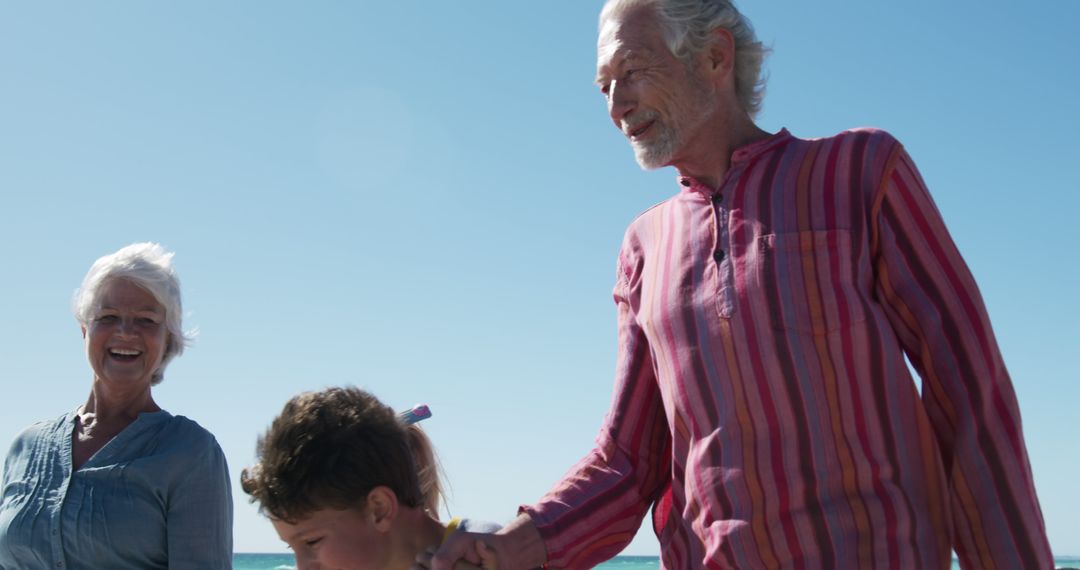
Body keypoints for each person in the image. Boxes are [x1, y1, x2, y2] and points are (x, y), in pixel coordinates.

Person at [429, 0, 1052, 568]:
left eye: (633, 70)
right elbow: (627, 462)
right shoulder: (642, 247)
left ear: (714, 56)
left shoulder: (860, 170)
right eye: (603, 86)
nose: (616, 104)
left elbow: (970, 390)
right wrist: (513, 545)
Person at [0, 243, 233, 569]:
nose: (126, 332)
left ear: (168, 338)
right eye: (108, 317)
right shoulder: (25, 447)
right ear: (85, 329)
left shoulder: (191, 453)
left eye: (147, 320)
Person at [241, 386, 500, 570]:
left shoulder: (493, 554)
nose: (303, 568)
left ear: (379, 509)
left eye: (312, 542)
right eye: (292, 548)